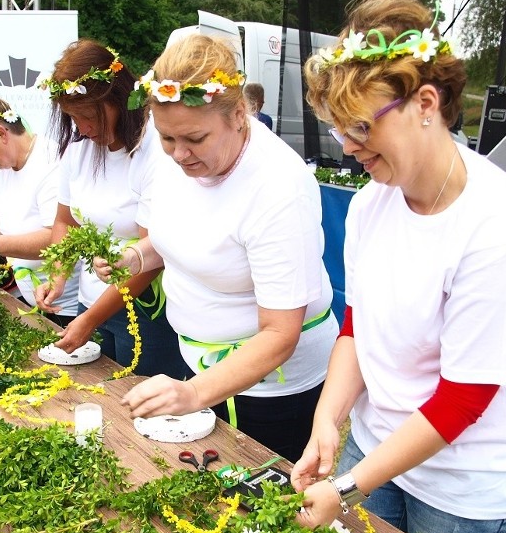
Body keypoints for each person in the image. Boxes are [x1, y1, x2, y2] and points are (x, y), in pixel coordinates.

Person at [290, 0, 506, 533]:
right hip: (376, 444)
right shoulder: (370, 202)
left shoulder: (499, 230)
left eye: (360, 126)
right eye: (339, 129)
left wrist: (348, 485)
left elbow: (463, 399)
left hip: (464, 486)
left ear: (426, 104)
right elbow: (359, 325)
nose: (348, 146)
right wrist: (327, 419)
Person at [95, 35, 339, 462]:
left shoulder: (277, 187)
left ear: (239, 115)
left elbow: (281, 333)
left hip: (272, 388)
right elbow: (176, 239)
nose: (178, 154)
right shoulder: (174, 155)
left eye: (194, 138)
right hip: (198, 362)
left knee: (254, 503)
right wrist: (135, 256)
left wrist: (192, 393)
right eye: (167, 139)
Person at [34, 40, 186, 377]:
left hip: (144, 312)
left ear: (117, 99)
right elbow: (65, 222)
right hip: (91, 303)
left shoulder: (155, 153)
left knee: (140, 405)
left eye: (89, 116)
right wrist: (58, 275)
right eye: (74, 118)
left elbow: (153, 256)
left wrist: (91, 319)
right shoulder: (79, 150)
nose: (83, 128)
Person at [0, 95, 79, 326]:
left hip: (65, 304)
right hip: (31, 299)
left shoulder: (50, 164)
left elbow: (56, 237)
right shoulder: (3, 168)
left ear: (1, 133)